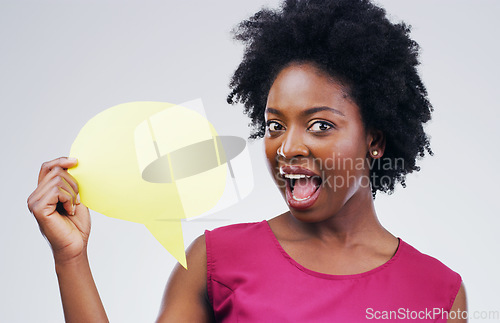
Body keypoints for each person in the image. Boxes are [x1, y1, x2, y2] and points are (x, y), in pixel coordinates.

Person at [27, 0, 467, 321]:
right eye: (275, 125)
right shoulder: (216, 259)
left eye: (319, 126)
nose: (288, 147)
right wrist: (71, 259)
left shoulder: (439, 293)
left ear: (374, 139)